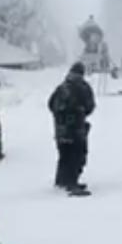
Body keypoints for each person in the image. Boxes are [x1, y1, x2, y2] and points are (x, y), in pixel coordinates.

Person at [47, 62, 95, 197]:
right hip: (76, 130)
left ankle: (61, 181)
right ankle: (72, 183)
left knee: (64, 156)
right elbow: (90, 106)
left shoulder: (61, 87)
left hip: (60, 131)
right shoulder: (83, 87)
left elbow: (50, 104)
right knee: (77, 156)